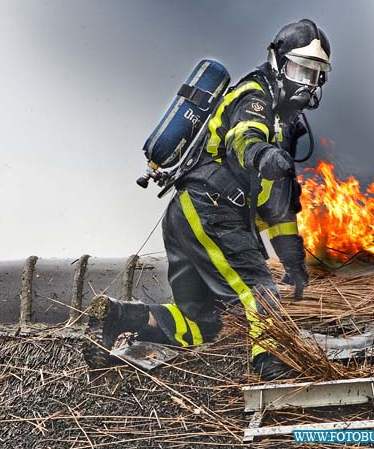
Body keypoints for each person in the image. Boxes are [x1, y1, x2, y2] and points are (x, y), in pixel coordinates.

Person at [86, 19, 331, 379]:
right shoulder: (254, 96)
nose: (304, 84)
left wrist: (292, 258)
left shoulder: (285, 124)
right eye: (298, 70)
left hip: (190, 217)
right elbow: (244, 138)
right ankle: (271, 366)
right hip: (212, 211)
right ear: (277, 62)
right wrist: (263, 155)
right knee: (259, 290)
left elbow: (277, 205)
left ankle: (122, 317)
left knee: (201, 322)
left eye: (313, 75)